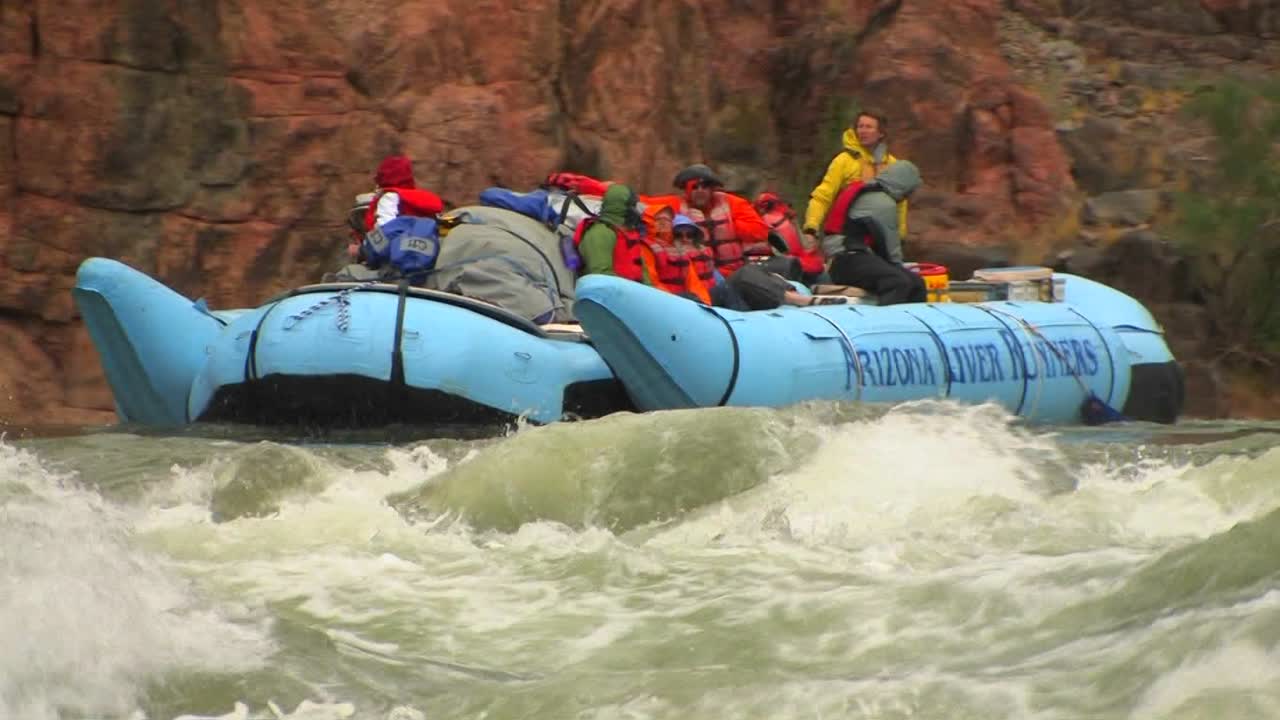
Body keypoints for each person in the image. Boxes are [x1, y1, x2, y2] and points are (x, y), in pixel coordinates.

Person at [822, 160, 926, 305]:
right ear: (903, 186)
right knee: (898, 282)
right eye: (909, 191)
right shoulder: (883, 203)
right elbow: (891, 251)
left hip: (846, 259)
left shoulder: (870, 191)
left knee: (916, 282)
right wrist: (898, 269)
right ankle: (885, 318)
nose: (907, 197)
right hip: (846, 261)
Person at [642, 164, 772, 277]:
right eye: (694, 187)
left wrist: (733, 226)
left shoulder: (733, 203)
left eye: (705, 186)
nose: (700, 191)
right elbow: (641, 203)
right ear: (686, 191)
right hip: (700, 276)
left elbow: (760, 232)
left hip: (737, 271)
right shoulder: (675, 205)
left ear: (712, 189)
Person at [802, 111, 907, 250]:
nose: (863, 131)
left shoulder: (892, 165)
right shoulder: (844, 160)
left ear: (881, 133)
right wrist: (811, 228)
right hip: (845, 237)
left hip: (879, 239)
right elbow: (822, 197)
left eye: (868, 127)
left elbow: (900, 206)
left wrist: (899, 237)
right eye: (860, 126)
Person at [576, 183, 646, 281]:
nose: (638, 211)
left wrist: (649, 289)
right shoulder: (600, 233)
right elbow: (601, 275)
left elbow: (644, 275)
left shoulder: (628, 234)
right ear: (623, 208)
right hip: (607, 289)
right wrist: (633, 289)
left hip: (630, 288)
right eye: (634, 206)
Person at [754, 192, 825, 285]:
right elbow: (805, 246)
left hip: (794, 264)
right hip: (801, 264)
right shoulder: (786, 217)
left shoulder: (767, 220)